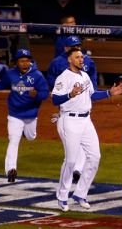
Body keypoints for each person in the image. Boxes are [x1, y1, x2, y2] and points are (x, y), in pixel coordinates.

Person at [52, 47, 122, 212]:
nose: (81, 59)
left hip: (86, 121)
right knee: (71, 160)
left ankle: (80, 194)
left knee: (94, 156)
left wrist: (109, 92)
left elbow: (92, 95)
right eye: (78, 57)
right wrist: (70, 95)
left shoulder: (85, 75)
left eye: (82, 57)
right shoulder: (63, 77)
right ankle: (62, 196)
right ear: (70, 60)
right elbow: (55, 99)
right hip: (69, 120)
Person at [0, 48, 49, 182]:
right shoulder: (11, 75)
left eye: (27, 61)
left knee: (31, 137)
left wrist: (38, 95)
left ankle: (24, 133)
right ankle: (10, 170)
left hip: (31, 115)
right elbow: (0, 85)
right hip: (15, 114)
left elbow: (45, 93)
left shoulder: (37, 76)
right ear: (17, 62)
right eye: (22, 61)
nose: (25, 63)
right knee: (13, 140)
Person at [47, 35, 98, 183]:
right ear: (66, 49)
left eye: (78, 45)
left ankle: (77, 170)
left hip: (83, 106)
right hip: (66, 108)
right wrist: (65, 92)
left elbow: (92, 79)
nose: (76, 48)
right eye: (73, 46)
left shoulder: (87, 62)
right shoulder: (57, 63)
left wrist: (98, 92)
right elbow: (52, 81)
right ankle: (66, 184)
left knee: (85, 143)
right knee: (71, 151)